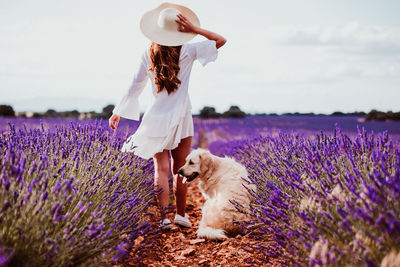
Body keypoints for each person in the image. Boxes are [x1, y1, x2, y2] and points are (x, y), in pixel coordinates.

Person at [108, 3, 226, 230]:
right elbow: (220, 40)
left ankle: (163, 219)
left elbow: (135, 85)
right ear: (180, 30)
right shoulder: (189, 50)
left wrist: (118, 111)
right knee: (180, 167)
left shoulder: (148, 52)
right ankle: (181, 215)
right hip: (181, 117)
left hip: (156, 118)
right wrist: (195, 28)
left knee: (160, 170)